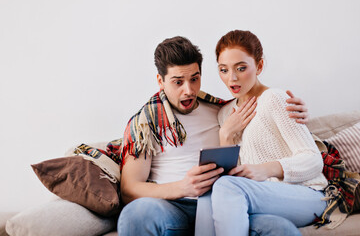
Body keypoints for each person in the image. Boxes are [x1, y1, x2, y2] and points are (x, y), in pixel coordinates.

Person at [117, 36, 310, 236]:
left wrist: (296, 110)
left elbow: (265, 116)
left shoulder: (222, 111)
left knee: (279, 229)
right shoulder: (145, 124)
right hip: (174, 208)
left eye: (194, 79)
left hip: (225, 204)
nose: (189, 90)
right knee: (137, 214)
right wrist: (182, 188)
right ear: (161, 81)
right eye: (178, 82)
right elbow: (129, 189)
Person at [195, 30, 328, 236]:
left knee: (228, 187)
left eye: (241, 68)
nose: (232, 78)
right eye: (224, 70)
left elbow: (313, 161)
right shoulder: (224, 115)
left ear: (259, 66)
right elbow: (236, 177)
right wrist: (226, 135)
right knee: (206, 197)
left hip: (307, 195)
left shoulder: (274, 99)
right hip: (261, 199)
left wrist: (266, 169)